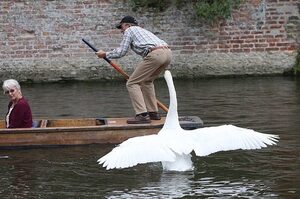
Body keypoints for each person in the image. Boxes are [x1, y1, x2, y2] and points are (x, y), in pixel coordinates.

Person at [96, 16, 172, 124]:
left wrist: (105, 54)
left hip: (156, 54)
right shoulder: (143, 31)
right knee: (147, 81)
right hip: (168, 53)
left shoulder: (129, 30)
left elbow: (121, 52)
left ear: (128, 25)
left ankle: (142, 115)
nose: (121, 30)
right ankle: (153, 113)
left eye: (121, 27)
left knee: (132, 83)